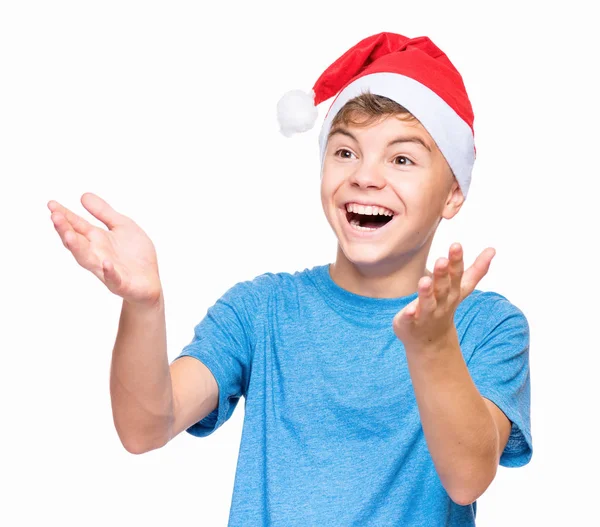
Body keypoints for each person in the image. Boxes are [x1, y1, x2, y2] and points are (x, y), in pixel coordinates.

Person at [48, 32, 532, 526]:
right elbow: (145, 427)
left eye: (401, 159)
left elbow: (468, 477)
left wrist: (433, 347)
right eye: (345, 152)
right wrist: (144, 305)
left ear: (453, 194)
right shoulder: (263, 310)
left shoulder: (486, 326)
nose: (365, 176)